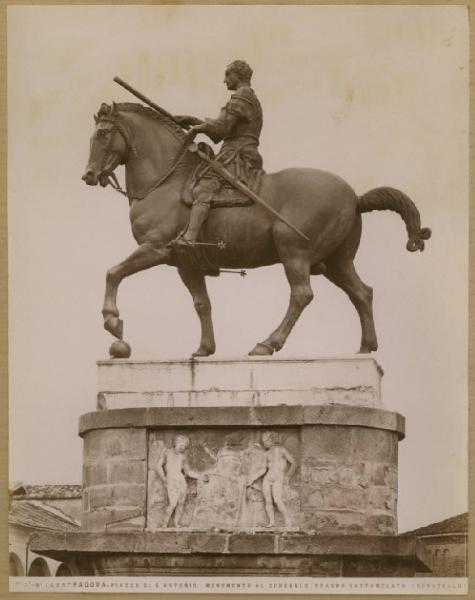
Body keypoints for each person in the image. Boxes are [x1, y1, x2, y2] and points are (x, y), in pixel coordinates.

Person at [174, 60, 263, 245]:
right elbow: (223, 128)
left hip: (237, 153)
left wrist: (197, 129)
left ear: (237, 75)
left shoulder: (242, 94)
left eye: (227, 75)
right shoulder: (245, 96)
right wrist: (192, 120)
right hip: (237, 150)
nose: (224, 80)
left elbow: (221, 128)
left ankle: (190, 237)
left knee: (204, 186)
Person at [156, 435, 208, 528]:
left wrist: (200, 476)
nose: (182, 447)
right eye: (181, 444)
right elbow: (158, 466)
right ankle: (164, 524)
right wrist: (164, 478)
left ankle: (176, 523)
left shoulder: (182, 457)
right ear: (176, 442)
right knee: (173, 503)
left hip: (181, 481)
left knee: (181, 503)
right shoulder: (167, 452)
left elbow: (188, 472)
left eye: (184, 446)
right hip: (171, 480)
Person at [260, 431, 296, 528]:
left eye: (265, 441)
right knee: (267, 501)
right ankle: (271, 522)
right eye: (263, 441)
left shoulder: (282, 450)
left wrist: (288, 476)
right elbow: (262, 469)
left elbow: (293, 463)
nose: (264, 443)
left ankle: (287, 520)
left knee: (277, 500)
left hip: (278, 477)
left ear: (271, 440)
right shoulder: (266, 454)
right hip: (268, 478)